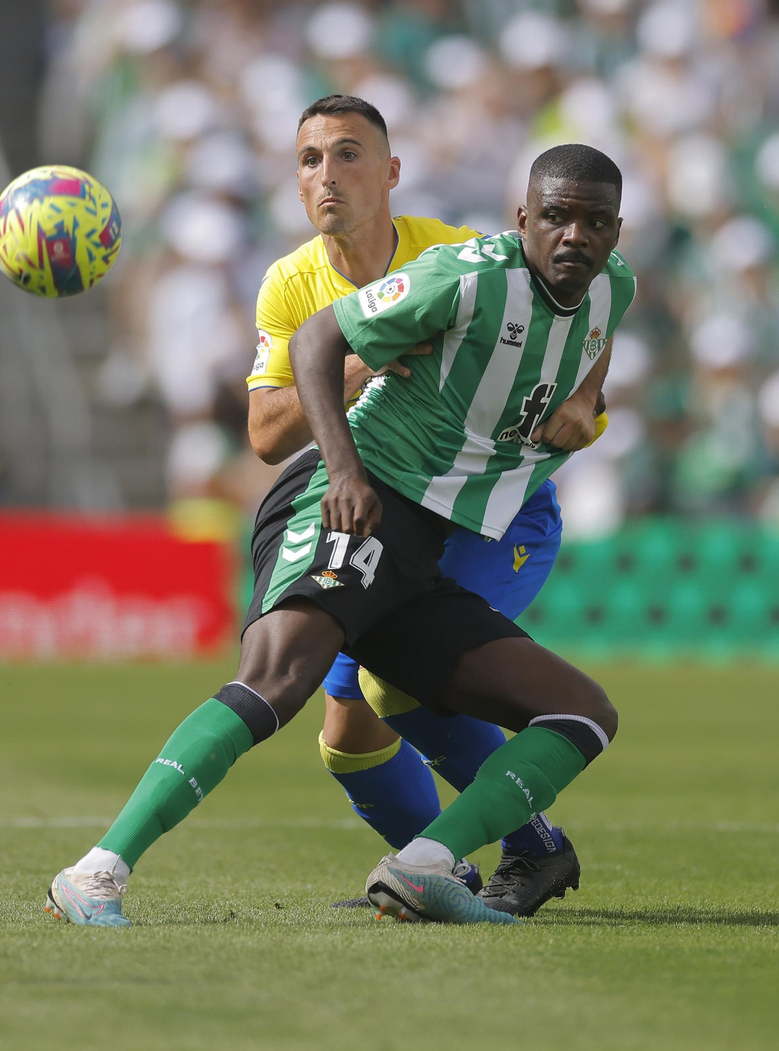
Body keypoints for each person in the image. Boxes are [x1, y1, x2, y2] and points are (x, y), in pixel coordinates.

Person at [47, 143, 633, 926]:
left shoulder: (612, 290)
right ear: (523, 218)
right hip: (347, 493)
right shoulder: (469, 276)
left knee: (581, 710)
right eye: (556, 217)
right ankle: (94, 873)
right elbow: (318, 340)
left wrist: (586, 402)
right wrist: (346, 470)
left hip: (423, 543)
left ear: (616, 232)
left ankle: (426, 867)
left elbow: (590, 352)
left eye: (594, 223)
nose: (574, 236)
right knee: (279, 680)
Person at [247, 95, 614, 915]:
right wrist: (361, 359)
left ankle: (529, 846)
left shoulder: (457, 254)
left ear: (391, 173)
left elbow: (592, 298)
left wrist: (588, 397)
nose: (329, 174)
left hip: (496, 514)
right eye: (311, 159)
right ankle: (455, 868)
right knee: (346, 735)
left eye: (349, 155)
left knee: (393, 683)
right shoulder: (290, 286)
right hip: (393, 509)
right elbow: (268, 434)